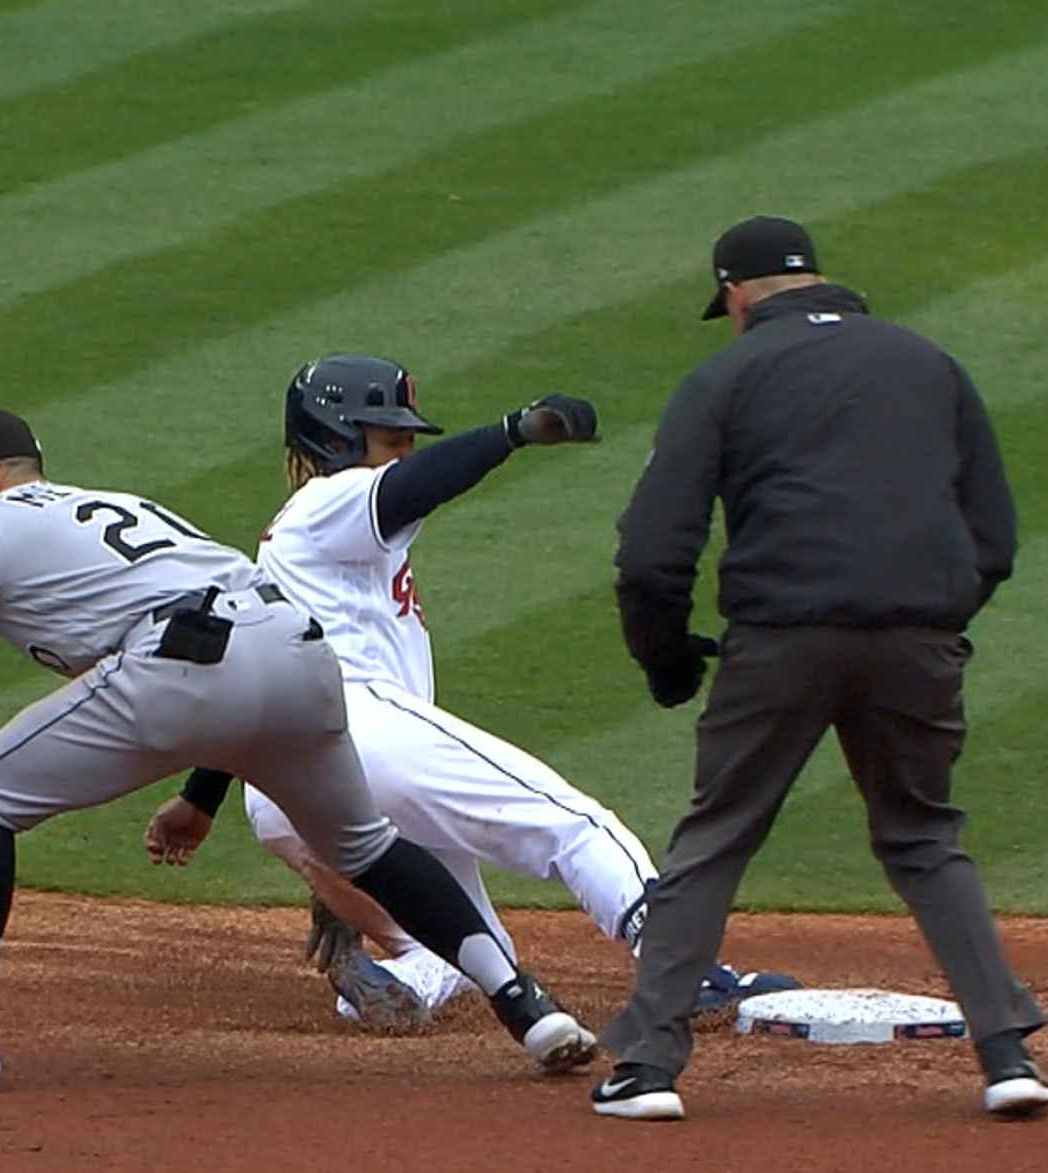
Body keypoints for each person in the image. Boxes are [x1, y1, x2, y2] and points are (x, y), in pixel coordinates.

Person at [0, 406, 598, 1090]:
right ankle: (526, 1004)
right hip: (299, 657)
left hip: (187, 663)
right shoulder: (118, 506)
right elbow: (236, 656)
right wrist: (202, 797)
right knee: (367, 848)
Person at [141, 355, 798, 1029]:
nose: (403, 452)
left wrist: (199, 800)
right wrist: (512, 432)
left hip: (284, 781)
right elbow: (412, 488)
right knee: (574, 827)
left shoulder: (286, 545)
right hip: (365, 735)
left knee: (477, 947)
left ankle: (396, 981)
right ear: (335, 438)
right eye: (389, 438)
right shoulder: (330, 501)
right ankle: (684, 973)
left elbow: (249, 675)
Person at [590, 216, 1048, 1123]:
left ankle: (646, 1068)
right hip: (917, 639)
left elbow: (652, 553)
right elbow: (992, 531)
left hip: (782, 640)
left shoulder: (725, 374)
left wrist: (667, 660)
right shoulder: (929, 364)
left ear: (734, 295)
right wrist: (936, 621)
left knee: (717, 837)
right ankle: (1006, 1057)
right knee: (923, 836)